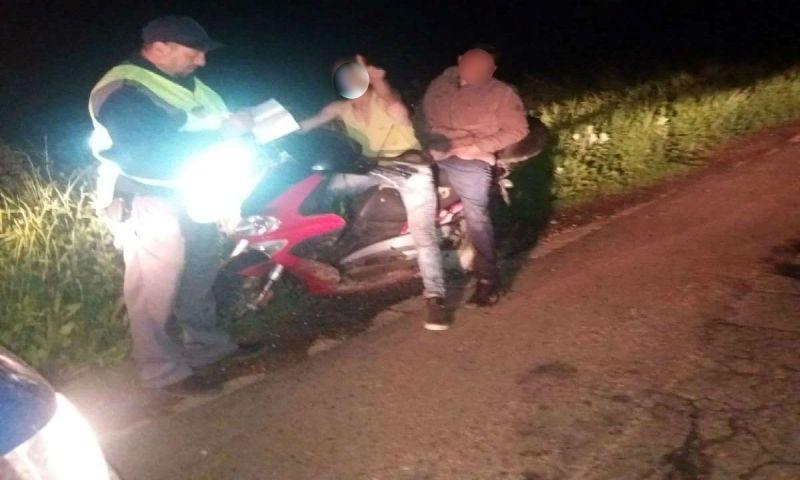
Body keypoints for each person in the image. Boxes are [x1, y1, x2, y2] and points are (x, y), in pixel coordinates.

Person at [88, 16, 261, 395]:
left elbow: (209, 124)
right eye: (193, 51)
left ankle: (208, 348)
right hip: (147, 196)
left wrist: (245, 126)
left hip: (196, 193)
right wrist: (223, 132)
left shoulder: (190, 84)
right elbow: (146, 150)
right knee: (153, 290)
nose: (202, 60)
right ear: (159, 47)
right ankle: (162, 372)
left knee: (199, 274)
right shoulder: (123, 89)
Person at [299, 56, 450, 331]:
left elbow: (396, 106)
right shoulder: (341, 108)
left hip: (411, 170)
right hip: (373, 170)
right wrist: (258, 129)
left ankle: (435, 298)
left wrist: (381, 82)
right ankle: (321, 250)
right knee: (320, 187)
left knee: (423, 234)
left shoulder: (384, 101)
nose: (349, 81)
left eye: (353, 75)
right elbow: (306, 124)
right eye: (342, 78)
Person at [422, 47, 529, 306]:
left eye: (484, 66)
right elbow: (422, 119)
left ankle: (487, 281)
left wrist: (477, 147)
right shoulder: (440, 85)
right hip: (434, 154)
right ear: (460, 60)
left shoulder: (500, 93)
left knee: (476, 216)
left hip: (470, 159)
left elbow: (518, 129)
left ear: (492, 70)